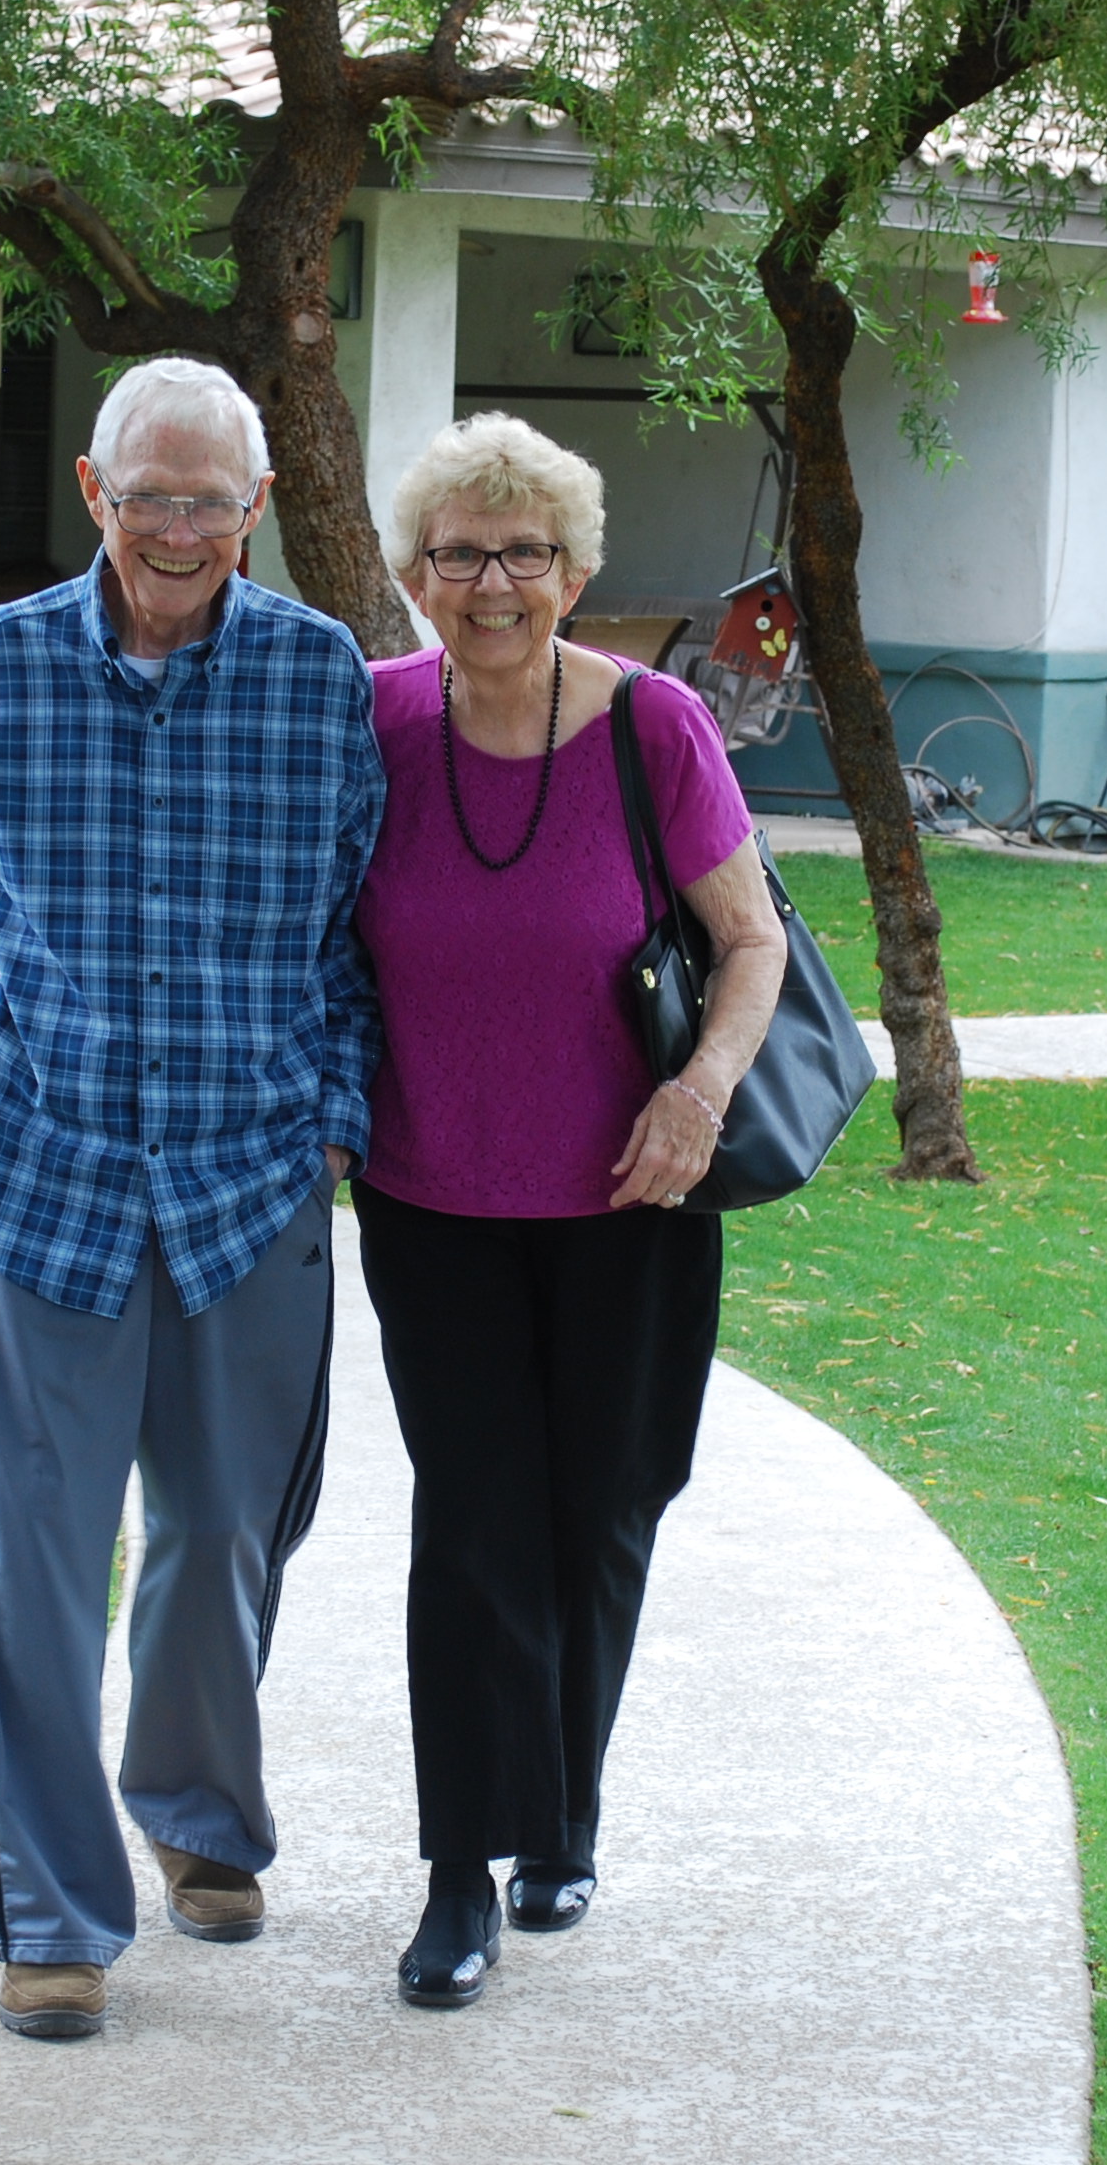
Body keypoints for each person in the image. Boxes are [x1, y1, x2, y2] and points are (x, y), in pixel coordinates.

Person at [0, 355, 386, 2041]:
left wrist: (332, 1118)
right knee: (34, 1555)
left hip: (253, 1177)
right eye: (150, 494)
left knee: (225, 1529)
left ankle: (195, 1812)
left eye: (213, 498)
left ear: (257, 506)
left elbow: (352, 938)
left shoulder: (323, 678)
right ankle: (51, 1910)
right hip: (46, 1174)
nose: (181, 528)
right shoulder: (3, 663)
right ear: (95, 494)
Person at [349, 413, 786, 2009]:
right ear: (412, 576)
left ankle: (565, 1823)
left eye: (524, 552)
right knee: (474, 1527)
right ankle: (462, 1870)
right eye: (458, 553)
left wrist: (699, 1095)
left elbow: (751, 946)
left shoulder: (651, 729)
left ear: (575, 571)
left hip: (635, 1195)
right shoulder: (374, 723)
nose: (492, 582)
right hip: (432, 1193)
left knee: (602, 1506)